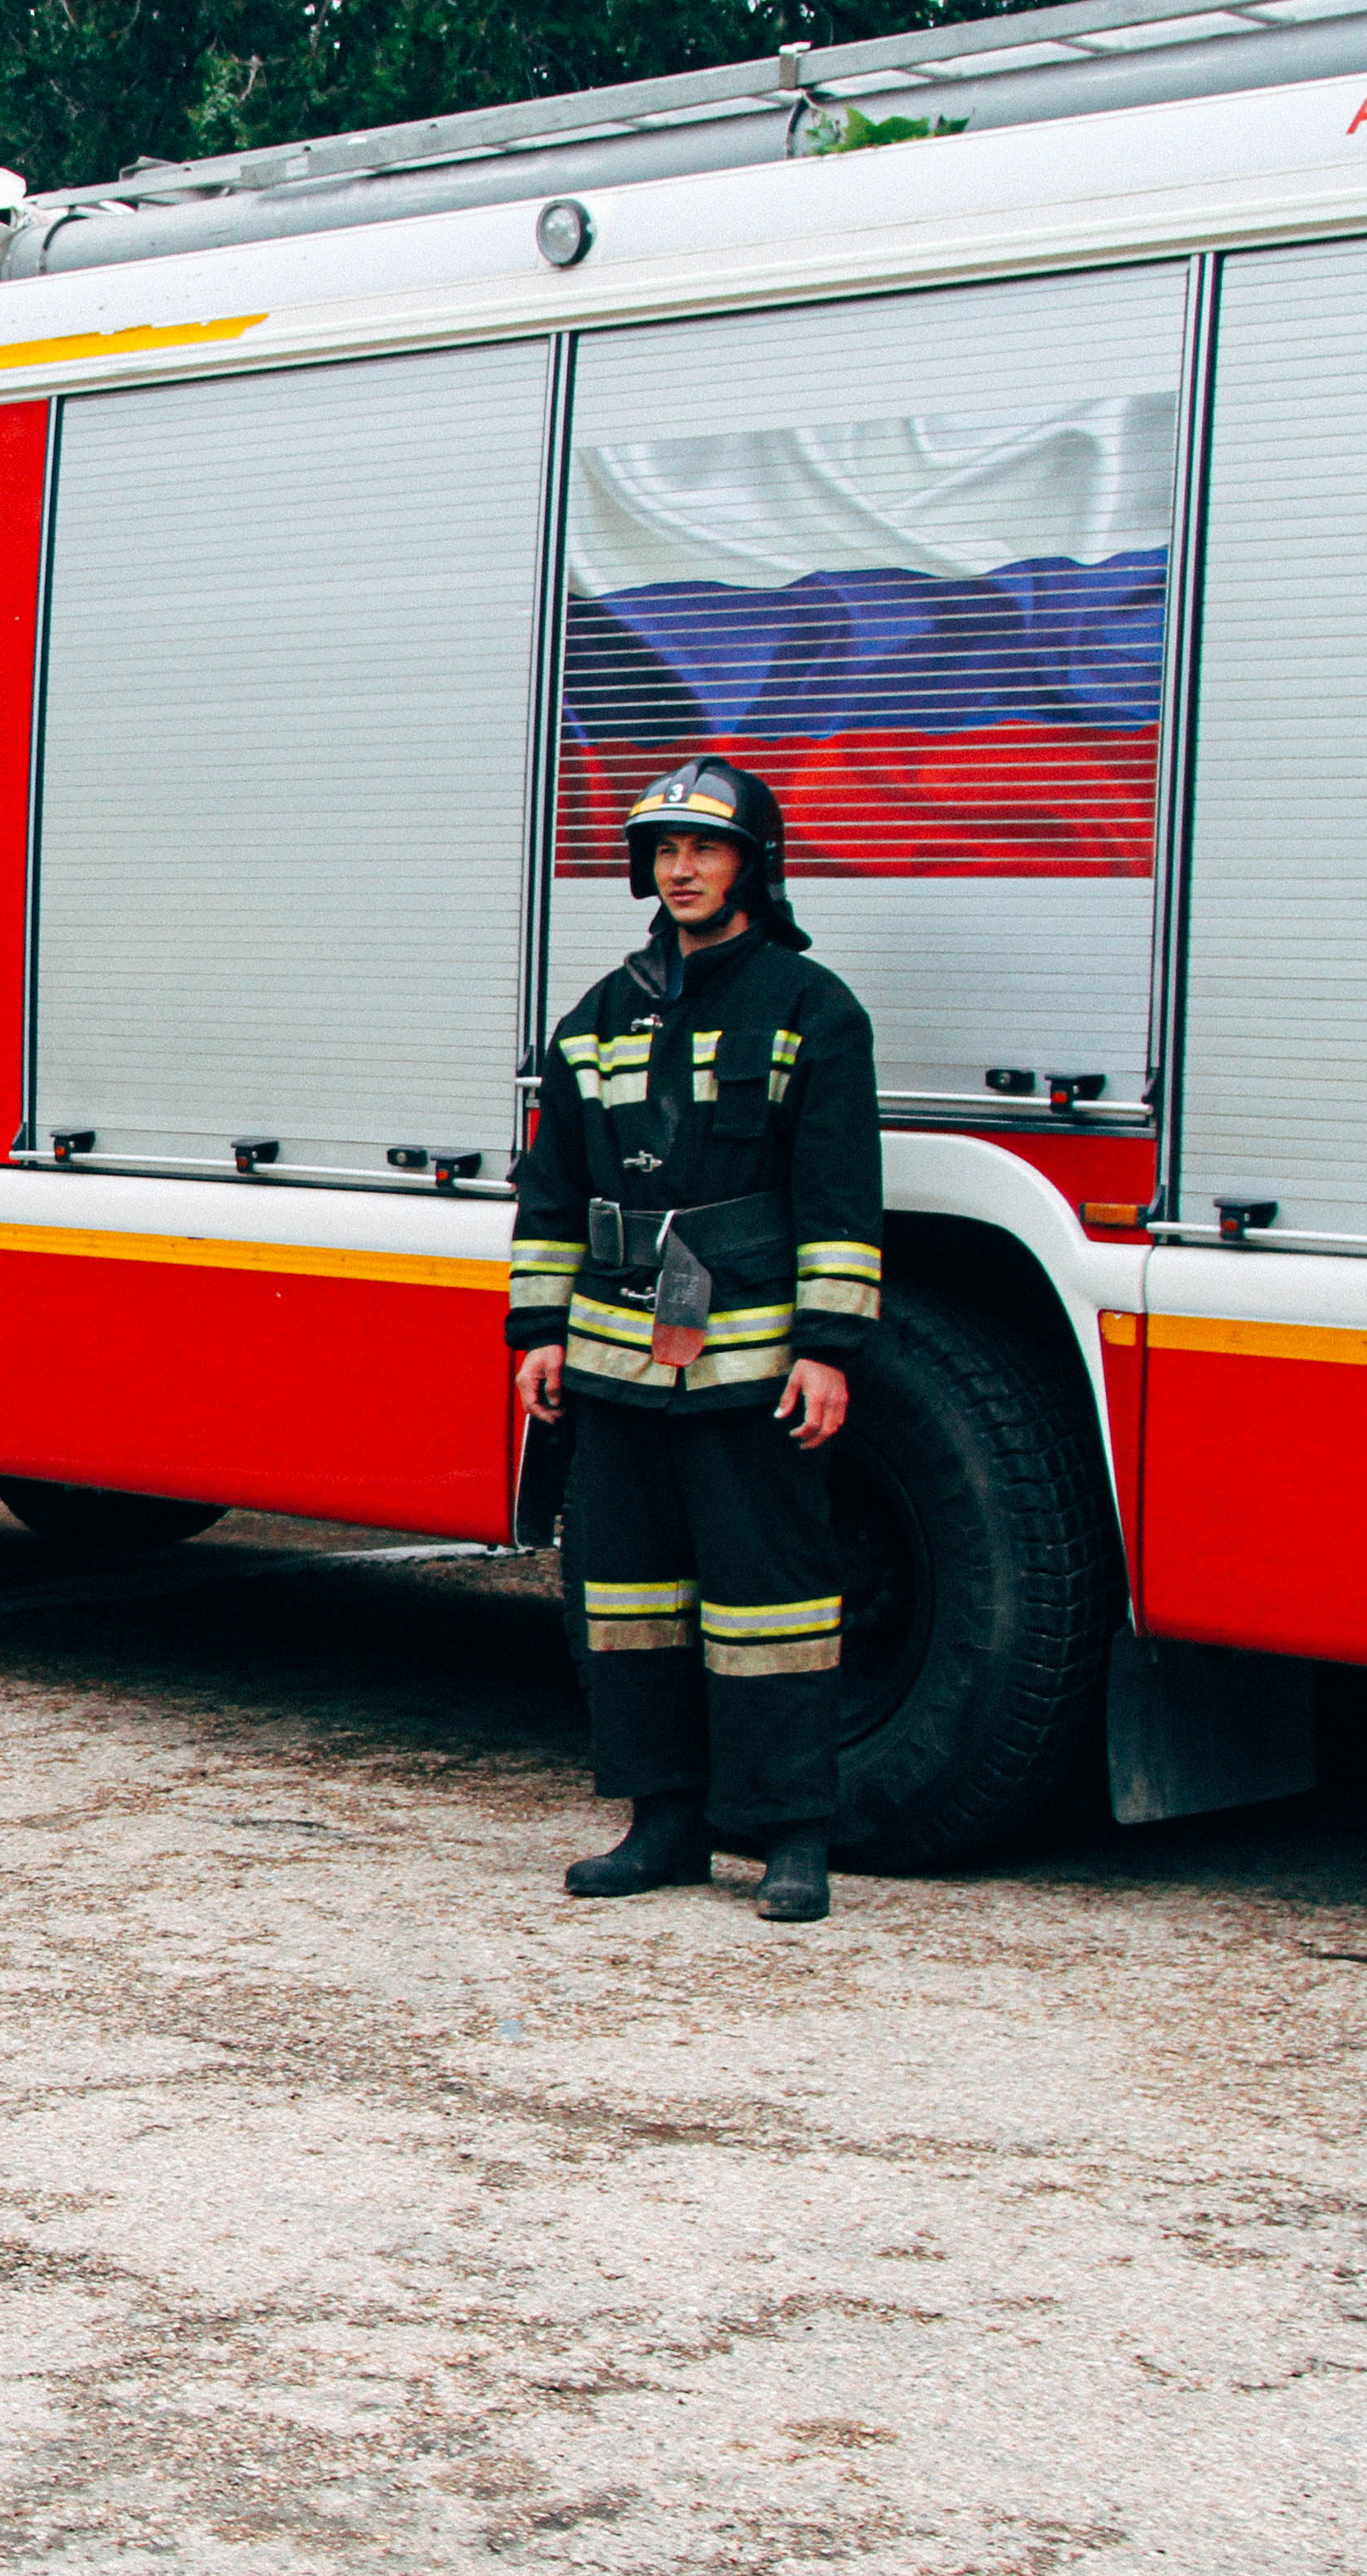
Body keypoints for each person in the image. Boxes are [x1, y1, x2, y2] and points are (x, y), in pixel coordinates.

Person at [510, 758, 882, 1924]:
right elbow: (552, 1184)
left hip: (751, 1365)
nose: (681, 870)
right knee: (627, 1599)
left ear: (751, 866)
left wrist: (827, 1348)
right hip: (617, 1363)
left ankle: (791, 1839)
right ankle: (660, 1823)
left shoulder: (811, 1007)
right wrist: (538, 1330)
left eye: (705, 850)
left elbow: (838, 1196)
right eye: (664, 851)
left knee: (770, 1604)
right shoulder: (604, 1010)